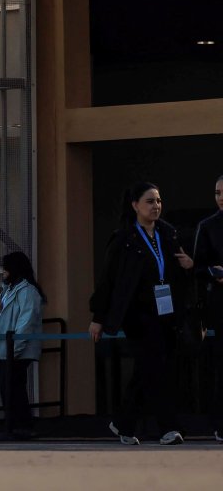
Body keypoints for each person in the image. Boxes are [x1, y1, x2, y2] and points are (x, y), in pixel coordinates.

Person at [89, 181, 195, 445]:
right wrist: (98, 317)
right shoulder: (124, 239)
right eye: (150, 201)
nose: (156, 206)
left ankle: (123, 423)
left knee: (147, 370)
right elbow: (108, 280)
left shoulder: (168, 233)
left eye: (158, 201)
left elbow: (177, 271)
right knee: (155, 370)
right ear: (135, 205)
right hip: (138, 316)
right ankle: (167, 428)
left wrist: (189, 266)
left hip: (166, 314)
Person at [0, 251, 44, 441]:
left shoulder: (27, 291)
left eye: (6, 268)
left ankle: (21, 426)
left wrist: (15, 347)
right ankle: (15, 426)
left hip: (15, 350)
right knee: (9, 387)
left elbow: (26, 322)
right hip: (6, 349)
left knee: (14, 387)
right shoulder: (8, 290)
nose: (3, 272)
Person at [194, 172, 223, 443]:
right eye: (217, 193)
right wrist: (213, 271)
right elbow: (197, 267)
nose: (221, 198)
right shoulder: (208, 226)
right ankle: (220, 424)